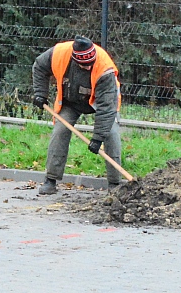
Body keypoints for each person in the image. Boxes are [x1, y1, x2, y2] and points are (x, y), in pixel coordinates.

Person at [31, 37, 123, 195]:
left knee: (111, 133)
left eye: (90, 64)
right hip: (71, 101)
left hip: (100, 102)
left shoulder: (104, 68)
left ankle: (115, 184)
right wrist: (40, 93)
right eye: (84, 65)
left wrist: (97, 138)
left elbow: (107, 109)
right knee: (60, 131)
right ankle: (51, 179)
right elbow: (39, 66)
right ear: (75, 60)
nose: (88, 67)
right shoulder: (60, 53)